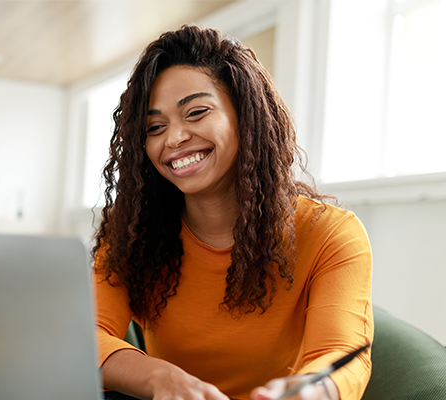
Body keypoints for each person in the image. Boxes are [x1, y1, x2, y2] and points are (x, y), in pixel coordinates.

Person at [92, 25, 373, 400]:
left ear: (246, 115)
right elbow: (84, 336)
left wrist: (312, 392)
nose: (174, 139)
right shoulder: (134, 232)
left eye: (196, 112)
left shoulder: (331, 235)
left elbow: (341, 353)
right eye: (155, 127)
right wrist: (160, 378)